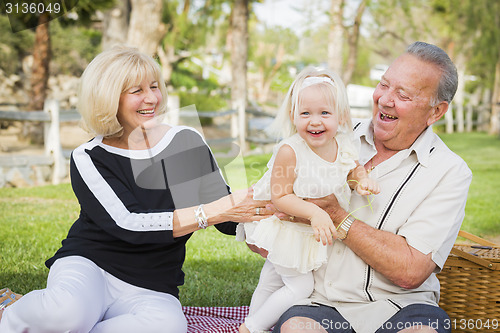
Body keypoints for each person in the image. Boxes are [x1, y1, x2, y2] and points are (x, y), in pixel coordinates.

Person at [0, 46, 273, 333]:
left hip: (152, 283)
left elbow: (226, 216)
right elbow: (130, 223)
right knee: (67, 313)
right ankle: (9, 312)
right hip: (91, 265)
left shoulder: (183, 142)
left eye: (154, 87)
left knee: (169, 327)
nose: (152, 98)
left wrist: (268, 208)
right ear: (109, 98)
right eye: (137, 91)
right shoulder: (90, 156)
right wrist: (212, 212)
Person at [273, 41, 472, 333]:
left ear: (436, 112)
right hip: (318, 301)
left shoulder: (450, 172)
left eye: (403, 94)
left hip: (404, 307)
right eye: (384, 85)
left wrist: (337, 217)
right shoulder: (330, 133)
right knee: (297, 329)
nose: (385, 99)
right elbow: (276, 198)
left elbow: (410, 270)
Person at [237, 67, 380, 333]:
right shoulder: (290, 151)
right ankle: (251, 327)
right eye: (306, 113)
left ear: (342, 117)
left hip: (305, 232)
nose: (315, 121)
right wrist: (315, 214)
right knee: (300, 286)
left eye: (324, 113)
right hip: (287, 229)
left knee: (271, 280)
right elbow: (280, 196)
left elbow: (351, 170)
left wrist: (362, 181)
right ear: (293, 116)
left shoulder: (344, 145)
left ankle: (251, 321)